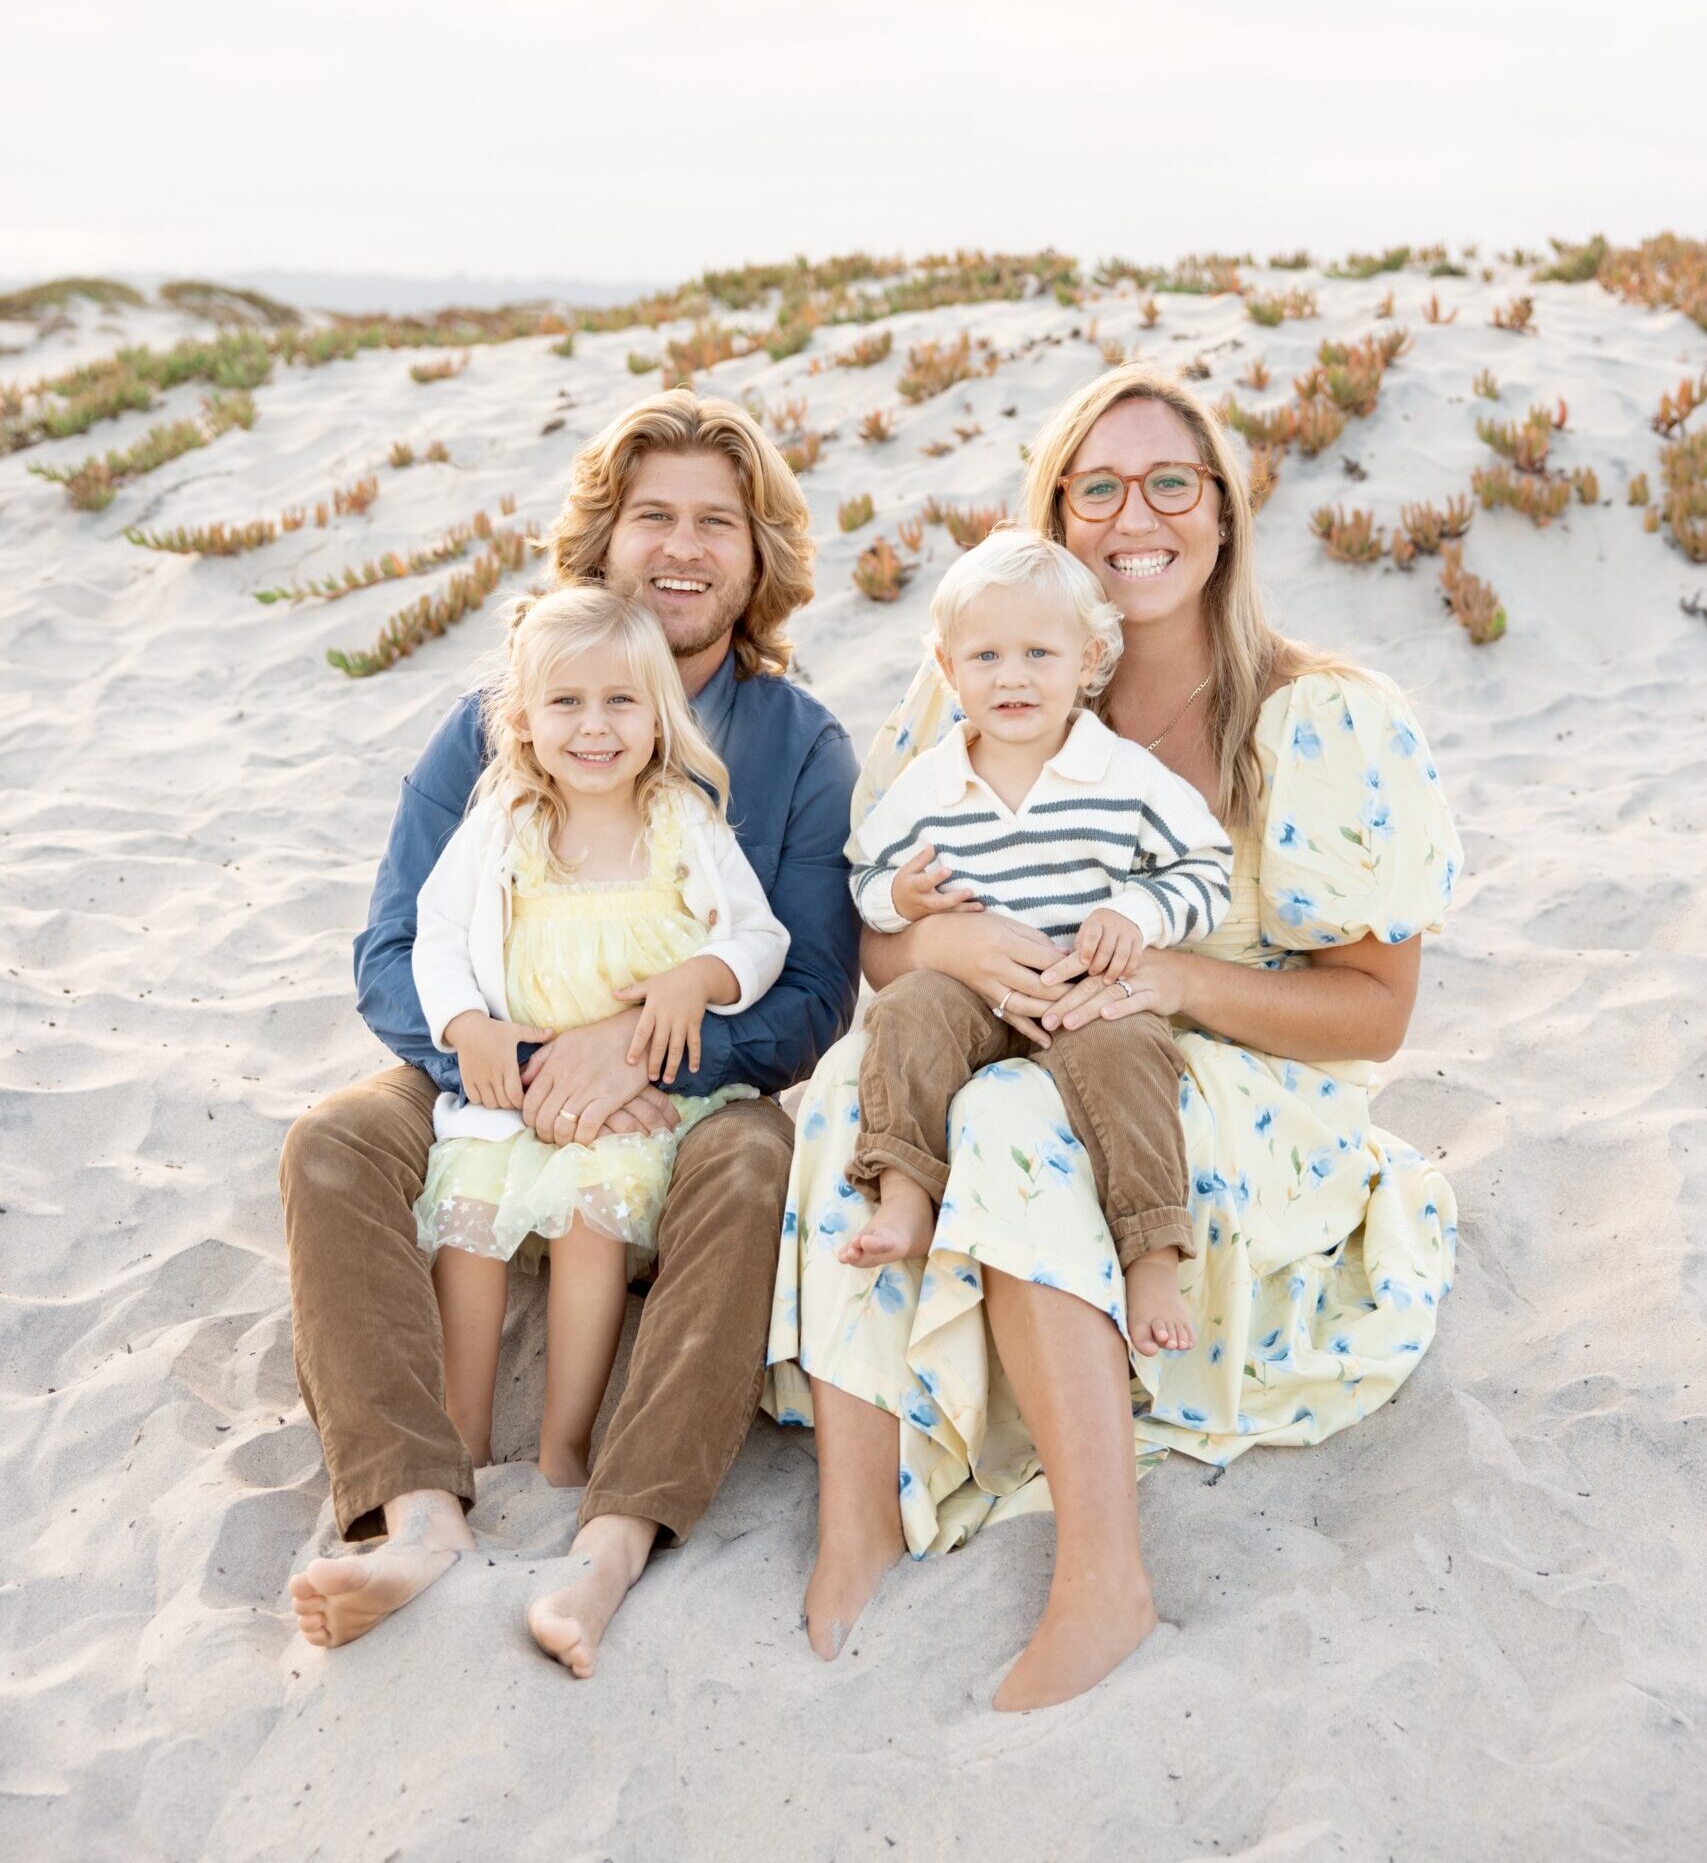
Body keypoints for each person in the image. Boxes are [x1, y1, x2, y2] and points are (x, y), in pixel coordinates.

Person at [767, 362, 1462, 1711]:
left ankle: (1102, 1574)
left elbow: (1371, 1007)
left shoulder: (1320, 716)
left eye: (1168, 482)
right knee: (858, 1081)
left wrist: (1167, 981)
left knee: (1015, 1118)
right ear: (1058, 515)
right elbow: (887, 935)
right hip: (1010, 1022)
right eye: (1096, 485)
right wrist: (945, 946)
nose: (1132, 511)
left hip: (1238, 1073)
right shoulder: (990, 675)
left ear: (1221, 511)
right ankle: (854, 1510)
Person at [283, 390, 861, 1676]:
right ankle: (418, 1507)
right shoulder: (499, 718)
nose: (683, 547)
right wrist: (508, 1057)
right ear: (602, 541)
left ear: (758, 556)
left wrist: (648, 1054)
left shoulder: (799, 744)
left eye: (719, 521)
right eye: (652, 514)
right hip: (483, 1067)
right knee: (330, 1147)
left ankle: (610, 1534)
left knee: (756, 1165)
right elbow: (391, 949)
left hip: (692, 1095)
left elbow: (814, 990)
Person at [411, 586, 789, 1490]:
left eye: (620, 701)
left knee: (590, 1216)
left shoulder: (682, 822)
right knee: (467, 1218)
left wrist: (699, 978)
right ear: (524, 720)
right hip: (519, 1091)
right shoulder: (507, 820)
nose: (594, 727)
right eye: (566, 703)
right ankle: (462, 1431)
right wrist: (469, 1027)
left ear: (658, 719)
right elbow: (435, 931)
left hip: (637, 1098)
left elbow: (759, 936)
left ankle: (565, 1439)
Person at [837, 527, 1235, 1360]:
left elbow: (1206, 865)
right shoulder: (930, 784)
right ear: (947, 669)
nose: (1010, 676)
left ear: (1088, 661)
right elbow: (865, 881)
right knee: (906, 1010)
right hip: (970, 1000)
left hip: (1084, 992)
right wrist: (901, 897)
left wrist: (1138, 913)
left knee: (1131, 1054)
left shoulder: (1120, 774)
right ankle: (905, 1188)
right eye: (983, 657)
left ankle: (1153, 1252)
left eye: (1037, 654)